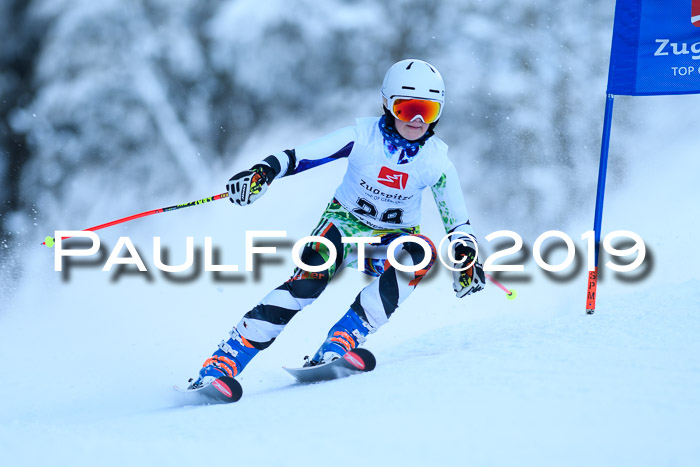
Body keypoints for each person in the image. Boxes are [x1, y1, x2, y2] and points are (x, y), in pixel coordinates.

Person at [189, 59, 485, 388]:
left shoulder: (436, 161)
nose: (416, 121)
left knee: (421, 253)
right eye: (406, 109)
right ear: (387, 105)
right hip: (342, 227)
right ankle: (220, 365)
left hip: (389, 242)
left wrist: (466, 256)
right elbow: (300, 156)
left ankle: (340, 344)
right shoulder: (362, 137)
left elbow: (458, 223)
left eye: (426, 112)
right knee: (306, 285)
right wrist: (263, 172)